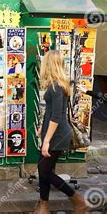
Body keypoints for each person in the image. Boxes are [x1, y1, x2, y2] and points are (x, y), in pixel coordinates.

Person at [36, 50, 87, 214]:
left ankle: (78, 200)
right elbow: (51, 111)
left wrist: (46, 141)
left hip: (57, 135)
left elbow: (57, 117)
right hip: (51, 132)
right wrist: (41, 127)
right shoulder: (57, 84)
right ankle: (44, 207)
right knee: (43, 170)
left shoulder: (57, 86)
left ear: (49, 64)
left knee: (44, 171)